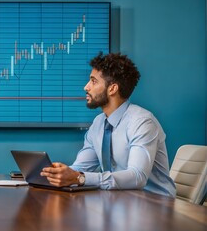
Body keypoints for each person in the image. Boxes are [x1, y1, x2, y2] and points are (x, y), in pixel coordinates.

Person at [40, 52, 176, 197]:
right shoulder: (99, 123)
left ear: (112, 89)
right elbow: (80, 167)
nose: (86, 87)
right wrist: (54, 174)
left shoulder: (142, 122)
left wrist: (80, 178)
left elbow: (137, 177)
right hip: (122, 201)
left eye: (93, 81)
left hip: (156, 205)